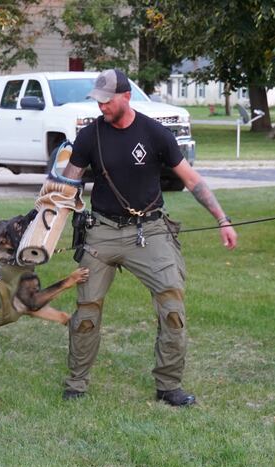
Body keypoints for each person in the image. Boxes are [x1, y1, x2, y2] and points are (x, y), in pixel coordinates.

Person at [59, 68, 238, 407]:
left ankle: (168, 385)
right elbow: (68, 185)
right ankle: (77, 383)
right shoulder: (89, 136)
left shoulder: (155, 134)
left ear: (126, 97)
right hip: (102, 231)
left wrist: (222, 219)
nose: (101, 108)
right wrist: (47, 225)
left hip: (150, 230)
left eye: (107, 101)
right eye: (98, 101)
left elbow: (192, 181)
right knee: (87, 309)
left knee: (173, 306)